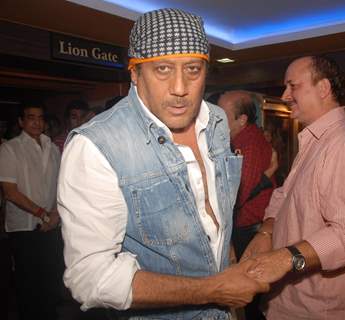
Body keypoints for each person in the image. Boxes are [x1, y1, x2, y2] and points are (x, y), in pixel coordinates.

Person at [57, 8, 268, 320]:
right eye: (163, 70)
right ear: (134, 72)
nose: (180, 88)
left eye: (193, 70)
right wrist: (211, 289)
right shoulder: (95, 146)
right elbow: (90, 278)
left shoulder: (218, 120)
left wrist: (227, 260)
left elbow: (214, 214)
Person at [241, 55, 345, 320]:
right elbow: (285, 194)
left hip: (322, 306)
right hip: (295, 299)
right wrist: (267, 232)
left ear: (324, 88)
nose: (284, 95)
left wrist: (283, 259)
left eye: (293, 86)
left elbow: (344, 236)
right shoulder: (316, 140)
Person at [0, 102, 63, 320]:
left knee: (51, 280)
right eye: (30, 117)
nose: (36, 122)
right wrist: (43, 214)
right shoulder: (9, 148)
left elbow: (60, 185)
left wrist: (55, 214)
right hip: (25, 228)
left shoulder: (53, 148)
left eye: (40, 117)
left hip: (52, 224)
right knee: (28, 284)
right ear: (21, 122)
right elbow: (10, 192)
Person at [218, 90, 276, 320]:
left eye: (222, 115)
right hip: (247, 223)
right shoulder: (241, 140)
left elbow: (237, 195)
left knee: (250, 294)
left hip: (249, 227)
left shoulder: (247, 144)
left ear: (242, 120)